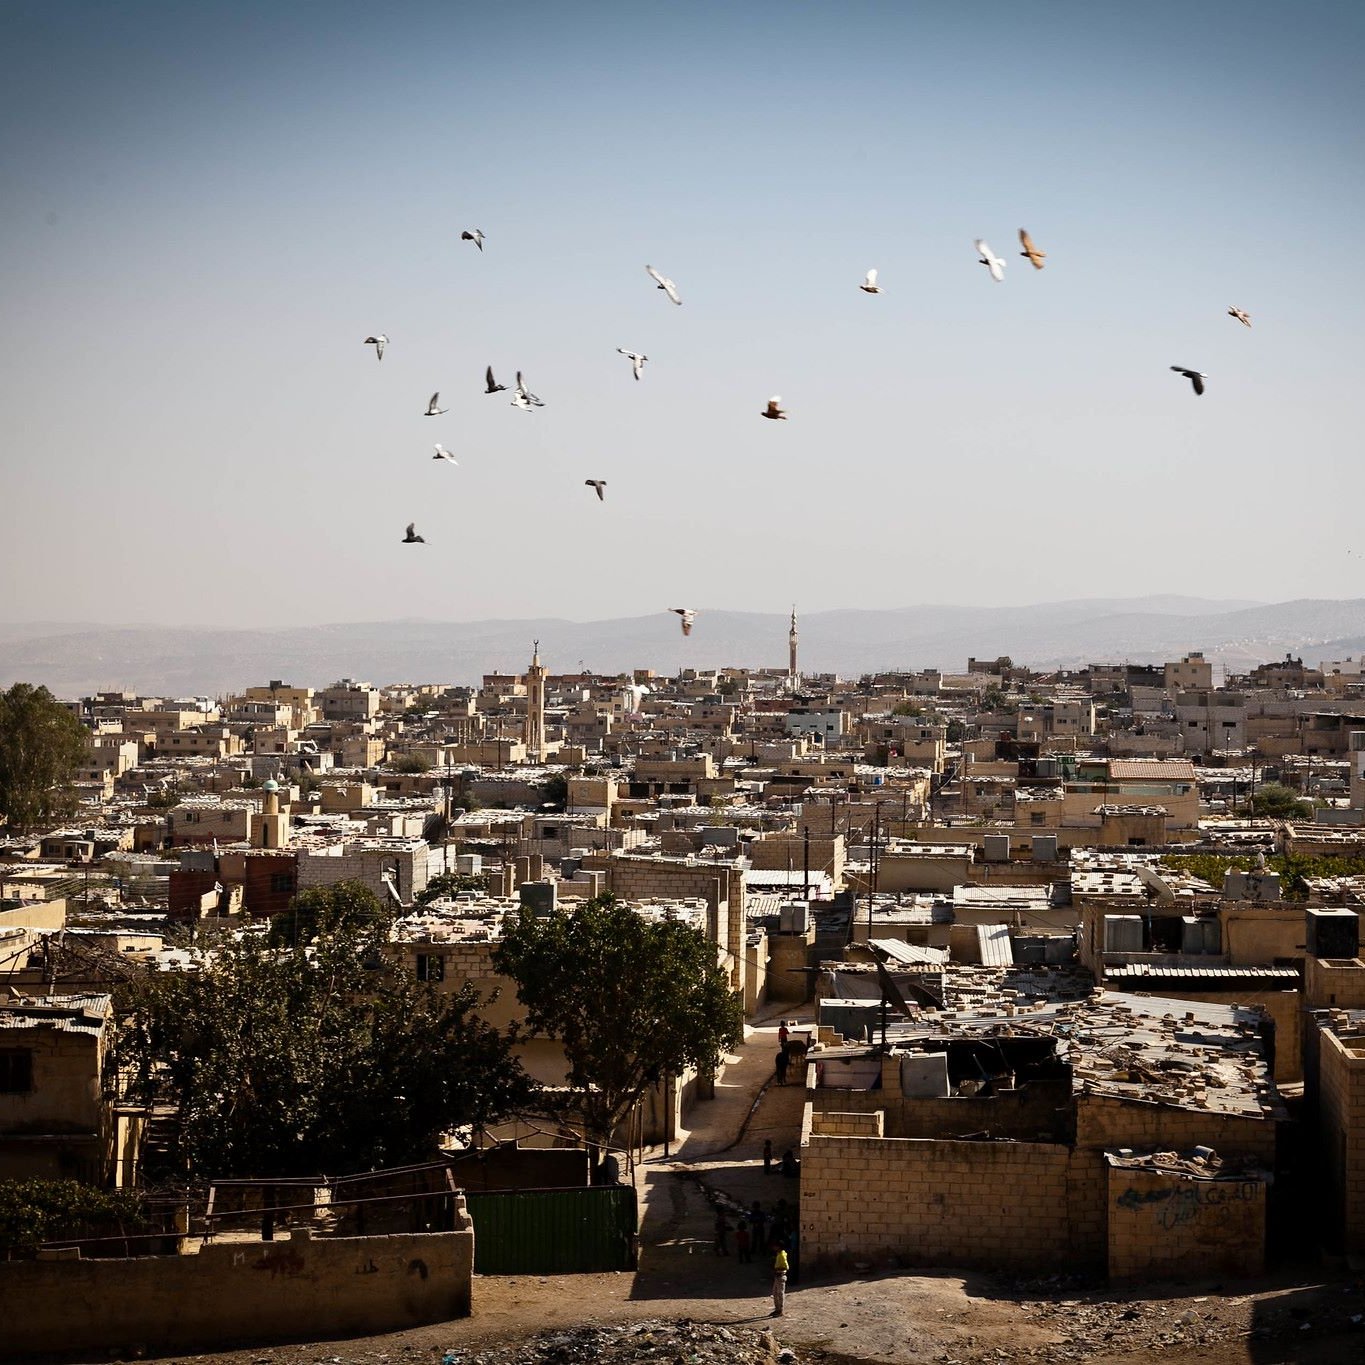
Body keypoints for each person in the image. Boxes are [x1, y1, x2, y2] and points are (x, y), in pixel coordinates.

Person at [771, 1244, 789, 1316]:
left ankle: (780, 1310)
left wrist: (778, 1270)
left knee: (780, 1294)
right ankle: (777, 1309)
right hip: (777, 1276)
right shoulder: (779, 1254)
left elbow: (786, 1266)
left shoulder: (782, 1255)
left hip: (780, 1275)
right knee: (775, 1293)